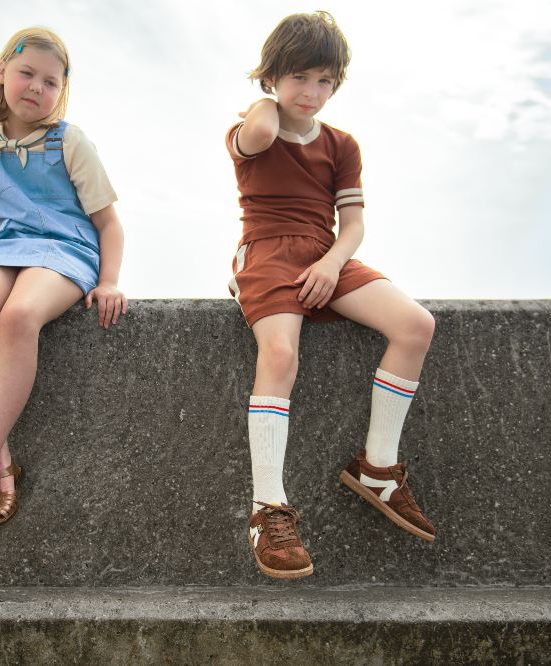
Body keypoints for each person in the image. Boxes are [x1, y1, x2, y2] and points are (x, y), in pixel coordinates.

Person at [226, 11, 436, 580]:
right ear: (272, 75)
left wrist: (330, 263)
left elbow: (354, 225)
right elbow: (263, 133)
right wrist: (266, 96)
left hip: (327, 252)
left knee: (416, 325)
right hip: (267, 250)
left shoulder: (342, 144)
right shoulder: (250, 127)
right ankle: (266, 507)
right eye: (299, 77)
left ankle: (378, 468)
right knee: (281, 354)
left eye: (324, 80)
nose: (312, 93)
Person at [0, 27, 126, 550]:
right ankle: (3, 463)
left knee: (17, 319)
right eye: (27, 74)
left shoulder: (70, 141)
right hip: (7, 249)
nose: (37, 88)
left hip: (66, 251)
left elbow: (109, 223)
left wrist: (109, 282)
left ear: (62, 91)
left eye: (51, 81)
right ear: (2, 73)